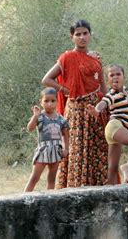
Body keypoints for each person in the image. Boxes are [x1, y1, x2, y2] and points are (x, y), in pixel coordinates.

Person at [42, 19, 109, 188]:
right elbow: (46, 79)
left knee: (97, 148)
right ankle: (75, 188)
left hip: (95, 109)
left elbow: (103, 86)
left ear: (90, 34)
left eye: (85, 33)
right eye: (78, 34)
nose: (82, 37)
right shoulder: (67, 57)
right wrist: (63, 89)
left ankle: (98, 187)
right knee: (77, 150)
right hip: (77, 111)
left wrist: (108, 105)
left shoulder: (95, 58)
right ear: (72, 37)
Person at [87, 64, 128, 184]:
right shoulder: (111, 94)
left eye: (118, 74)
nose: (115, 77)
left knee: (113, 167)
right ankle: (127, 166)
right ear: (108, 80)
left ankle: (111, 191)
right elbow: (103, 103)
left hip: (117, 130)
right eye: (111, 75)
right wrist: (96, 110)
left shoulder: (127, 93)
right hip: (114, 126)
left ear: (124, 76)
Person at [25, 88, 69, 192]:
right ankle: (24, 198)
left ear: (57, 101)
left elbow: (65, 135)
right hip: (43, 150)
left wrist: (66, 148)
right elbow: (30, 128)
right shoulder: (40, 117)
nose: (49, 104)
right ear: (41, 102)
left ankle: (50, 197)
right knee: (35, 177)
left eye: (53, 101)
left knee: (52, 177)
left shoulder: (61, 119)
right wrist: (35, 116)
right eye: (46, 101)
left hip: (56, 150)